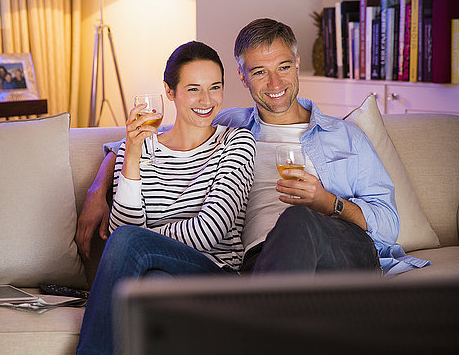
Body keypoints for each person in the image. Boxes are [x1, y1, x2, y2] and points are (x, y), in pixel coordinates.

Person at [77, 18, 429, 278]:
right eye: (259, 72)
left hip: (342, 252)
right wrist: (97, 191)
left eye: (283, 68)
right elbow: (148, 140)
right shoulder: (230, 126)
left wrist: (329, 203)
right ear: (242, 77)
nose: (275, 83)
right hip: (261, 262)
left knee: (298, 218)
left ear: (297, 67)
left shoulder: (344, 135)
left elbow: (388, 225)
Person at [76, 41, 256, 354]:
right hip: (156, 275)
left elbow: (209, 232)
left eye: (215, 88)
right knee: (152, 288)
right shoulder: (136, 146)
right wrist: (130, 157)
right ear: (169, 92)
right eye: (194, 89)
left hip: (216, 277)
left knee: (130, 242)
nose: (206, 100)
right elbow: (124, 226)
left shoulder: (236, 142)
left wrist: (140, 239)